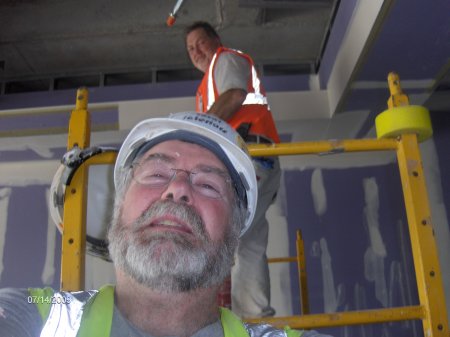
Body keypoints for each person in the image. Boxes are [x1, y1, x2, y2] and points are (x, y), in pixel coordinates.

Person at [0, 112, 331, 337]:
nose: (178, 190)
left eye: (208, 185)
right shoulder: (36, 317)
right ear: (117, 211)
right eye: (156, 174)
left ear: (233, 234)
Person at [185, 21, 281, 318]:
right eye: (190, 49)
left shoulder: (225, 60)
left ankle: (197, 313)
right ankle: (252, 316)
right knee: (248, 240)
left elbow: (236, 95)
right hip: (250, 158)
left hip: (249, 156)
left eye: (200, 42)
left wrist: (193, 131)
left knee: (221, 231)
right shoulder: (205, 87)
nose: (196, 51)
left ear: (216, 40)